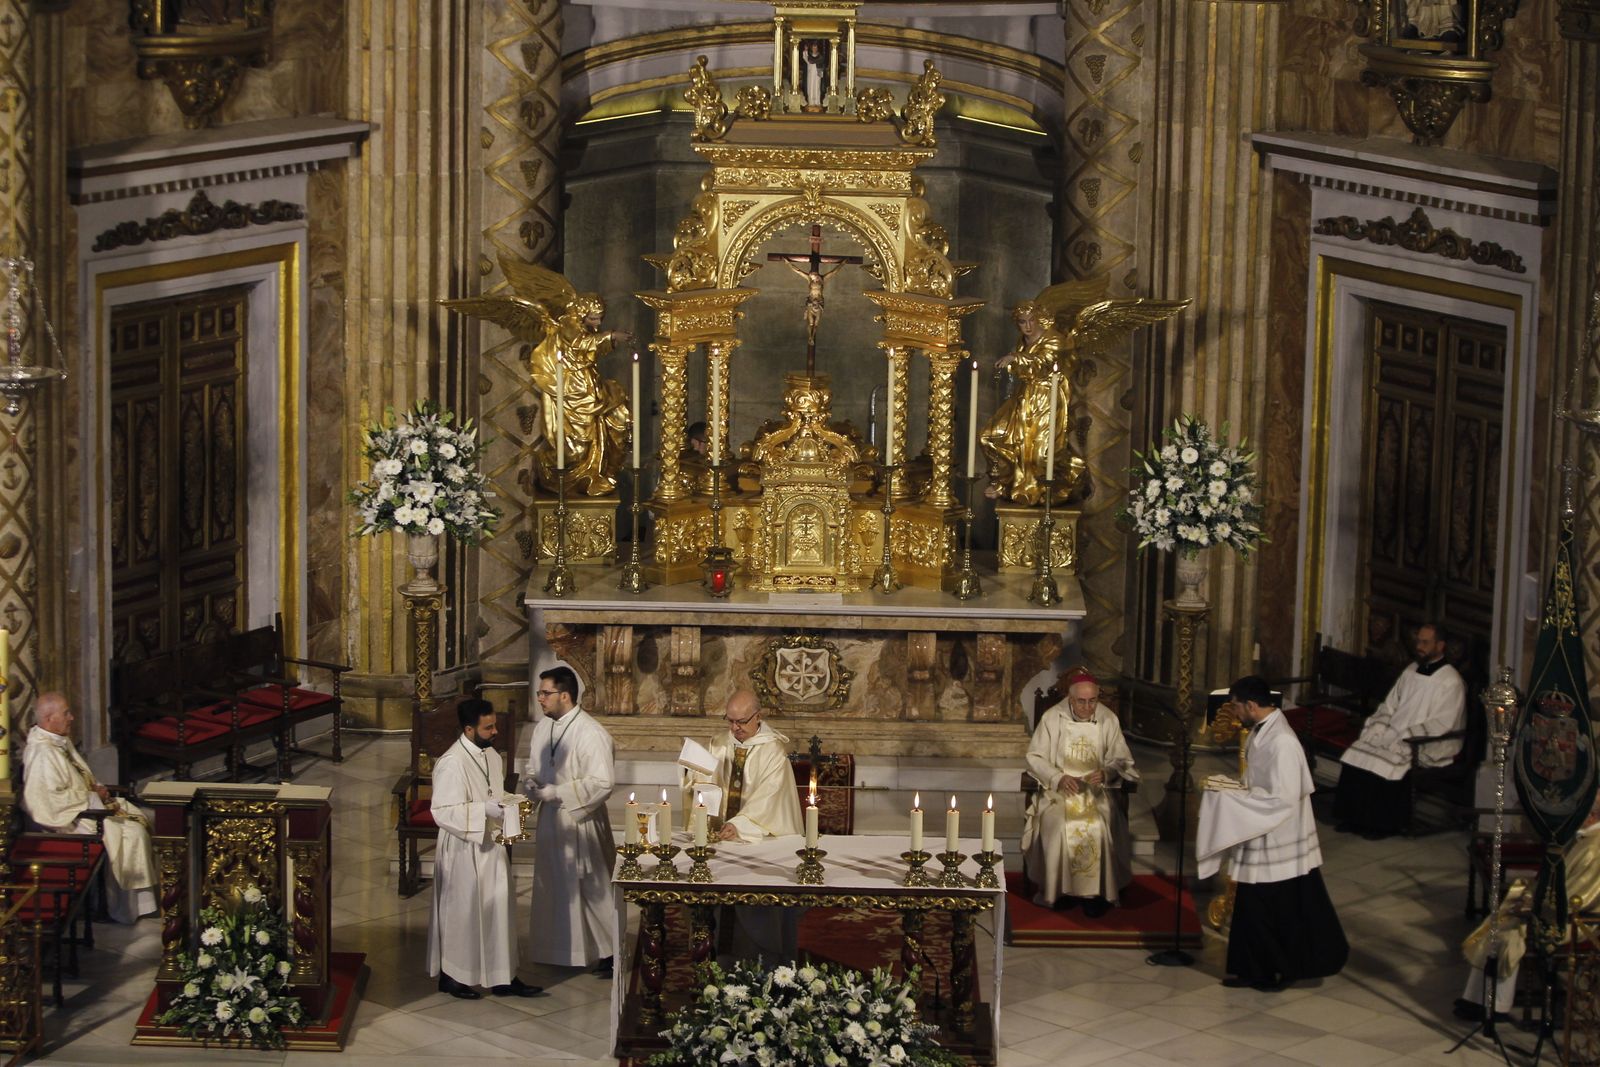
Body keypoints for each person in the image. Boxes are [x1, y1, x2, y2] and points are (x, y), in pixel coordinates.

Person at [1197, 675, 1348, 991]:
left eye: (1236, 706)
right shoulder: (1261, 731)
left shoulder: (1283, 742)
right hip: (1262, 832)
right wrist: (1235, 790)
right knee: (1252, 908)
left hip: (1279, 838)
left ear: (1251, 705)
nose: (1234, 712)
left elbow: (1282, 798)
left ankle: (1276, 972)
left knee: (1275, 912)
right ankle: (1252, 970)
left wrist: (1235, 799)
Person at [427, 698, 543, 1000]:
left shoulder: (491, 755)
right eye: (488, 727)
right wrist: (485, 810)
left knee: (499, 908)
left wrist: (511, 802)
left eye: (495, 725)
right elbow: (442, 811)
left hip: (490, 844)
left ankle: (503, 976)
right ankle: (453, 976)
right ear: (468, 729)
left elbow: (493, 793)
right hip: (464, 846)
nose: (494, 732)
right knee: (463, 912)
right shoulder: (452, 763)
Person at [1454, 799, 1600, 1022]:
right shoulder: (1585, 838)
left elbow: (1581, 896)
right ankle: (1476, 998)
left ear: (1591, 816)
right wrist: (1532, 897)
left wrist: (1535, 906)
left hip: (1575, 922)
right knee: (1500, 919)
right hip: (1557, 908)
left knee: (1509, 934)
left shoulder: (1594, 849)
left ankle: (1497, 1006)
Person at [21, 693, 156, 923]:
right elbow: (44, 801)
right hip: (66, 821)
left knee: (140, 817)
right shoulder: (42, 753)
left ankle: (138, 904)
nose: (72, 718)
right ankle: (121, 908)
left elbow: (79, 776)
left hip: (82, 809)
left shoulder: (57, 741)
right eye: (66, 713)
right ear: (48, 718)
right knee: (131, 833)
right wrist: (91, 798)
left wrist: (97, 792)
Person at [523, 667, 617, 979]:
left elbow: (603, 782)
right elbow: (535, 765)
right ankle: (560, 949)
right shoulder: (544, 728)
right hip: (552, 819)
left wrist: (559, 792)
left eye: (545, 693)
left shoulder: (591, 733)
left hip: (581, 818)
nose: (540, 699)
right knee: (555, 885)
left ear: (565, 695)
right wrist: (532, 782)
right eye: (539, 693)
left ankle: (611, 951)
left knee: (591, 887)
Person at [1020, 671, 1139, 917]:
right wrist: (1057, 777)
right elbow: (1034, 757)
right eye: (1082, 702)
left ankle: (1094, 894)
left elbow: (1122, 758)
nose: (1088, 707)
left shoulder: (1108, 719)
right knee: (1059, 824)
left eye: (1093, 701)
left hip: (1095, 793)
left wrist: (1106, 773)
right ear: (1070, 699)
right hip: (1059, 793)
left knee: (1098, 825)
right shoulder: (1052, 718)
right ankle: (1059, 891)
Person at [1334, 622, 1466, 839]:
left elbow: (1445, 722)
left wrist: (1406, 734)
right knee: (1359, 752)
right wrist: (1381, 724)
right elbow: (1391, 704)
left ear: (1440, 646)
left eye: (1425, 642)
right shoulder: (1411, 670)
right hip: (1395, 730)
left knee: (1388, 763)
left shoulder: (1451, 681)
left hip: (1424, 740)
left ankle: (1380, 825)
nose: (1419, 646)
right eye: (1418, 641)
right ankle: (1352, 818)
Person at [681, 688, 803, 842]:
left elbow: (769, 798)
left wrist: (739, 825)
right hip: (719, 835)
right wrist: (689, 770)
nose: (734, 728)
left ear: (758, 716)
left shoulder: (773, 751)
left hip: (755, 837)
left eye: (741, 721)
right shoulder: (718, 744)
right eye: (730, 720)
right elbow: (701, 783)